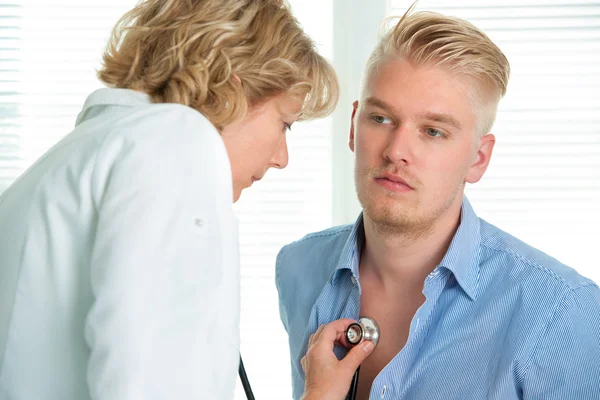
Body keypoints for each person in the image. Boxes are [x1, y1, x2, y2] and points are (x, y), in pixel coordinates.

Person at [0, 1, 338, 399]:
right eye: (284, 123)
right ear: (234, 86)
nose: (282, 158)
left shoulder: (80, 157)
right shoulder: (176, 140)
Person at [276, 6, 600, 400]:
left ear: (478, 159)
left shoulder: (563, 314)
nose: (396, 151)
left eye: (432, 131)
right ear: (353, 126)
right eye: (380, 119)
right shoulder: (298, 269)